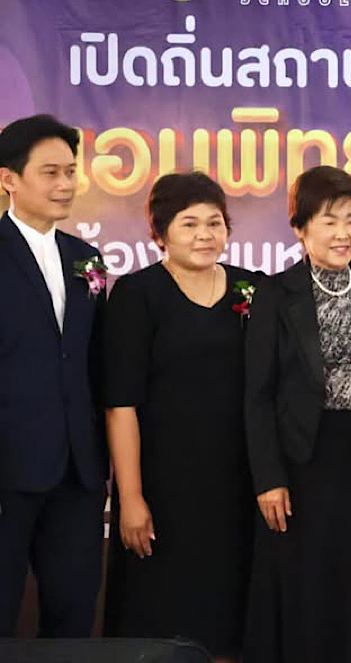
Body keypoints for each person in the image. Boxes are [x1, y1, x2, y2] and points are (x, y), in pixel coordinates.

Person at [244, 165, 351, 663]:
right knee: (302, 583)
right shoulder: (276, 293)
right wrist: (269, 478)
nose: (343, 233)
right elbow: (258, 394)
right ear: (301, 228)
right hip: (299, 460)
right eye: (328, 220)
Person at [102, 172, 254, 660]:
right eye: (189, 224)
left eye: (215, 223)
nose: (205, 235)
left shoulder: (252, 290)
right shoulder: (137, 293)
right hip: (162, 488)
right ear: (161, 232)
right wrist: (130, 497)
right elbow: (121, 403)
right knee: (159, 620)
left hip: (237, 486)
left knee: (230, 619)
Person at [0, 114, 107, 637]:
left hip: (78, 472)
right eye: (50, 173)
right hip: (8, 467)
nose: (65, 184)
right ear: (9, 179)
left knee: (73, 615)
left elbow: (93, 360)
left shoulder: (87, 259)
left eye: (70, 171)